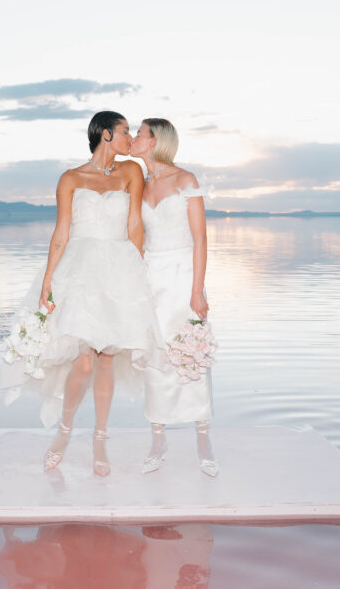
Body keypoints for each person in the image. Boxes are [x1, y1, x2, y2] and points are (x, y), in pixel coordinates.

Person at [0, 111, 164, 476]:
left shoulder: (131, 172)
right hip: (81, 269)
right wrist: (47, 282)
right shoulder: (70, 178)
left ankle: (100, 438)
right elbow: (61, 233)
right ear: (105, 134)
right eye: (124, 131)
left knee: (107, 358)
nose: (129, 137)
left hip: (120, 268)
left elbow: (135, 224)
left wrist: (138, 271)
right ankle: (65, 431)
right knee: (83, 359)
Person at [130, 118, 219, 477]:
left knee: (190, 353)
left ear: (154, 142)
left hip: (182, 276)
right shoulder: (140, 183)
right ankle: (158, 439)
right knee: (155, 354)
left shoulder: (185, 180)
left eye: (139, 134)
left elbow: (200, 239)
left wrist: (197, 291)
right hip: (151, 278)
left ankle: (202, 438)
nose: (134, 138)